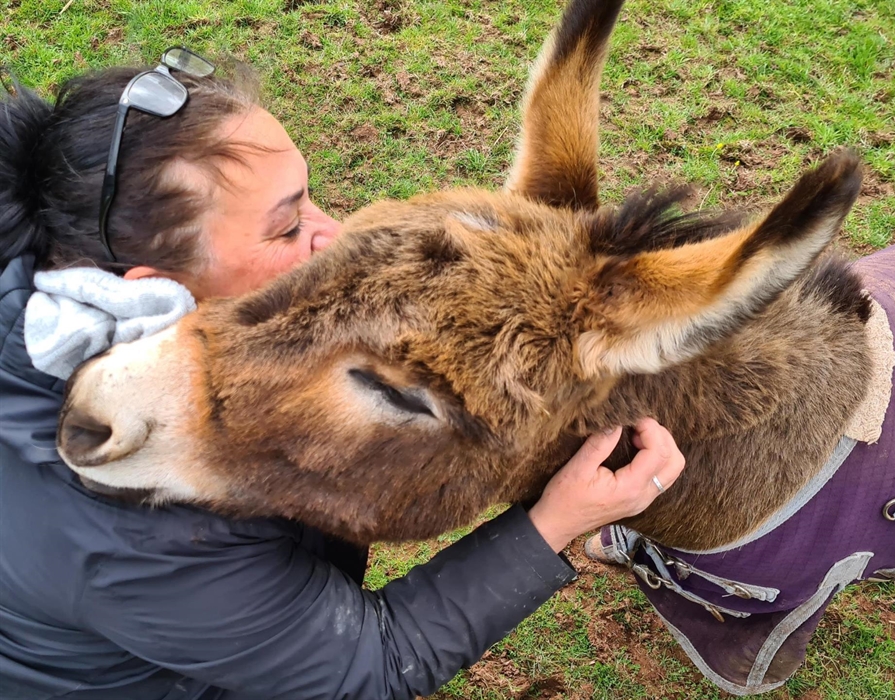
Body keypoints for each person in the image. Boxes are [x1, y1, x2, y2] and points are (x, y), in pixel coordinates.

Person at [0, 51, 685, 700]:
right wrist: (554, 522)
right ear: (156, 292)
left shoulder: (49, 285)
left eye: (309, 196)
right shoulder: (135, 527)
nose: (338, 235)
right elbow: (370, 665)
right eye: (287, 226)